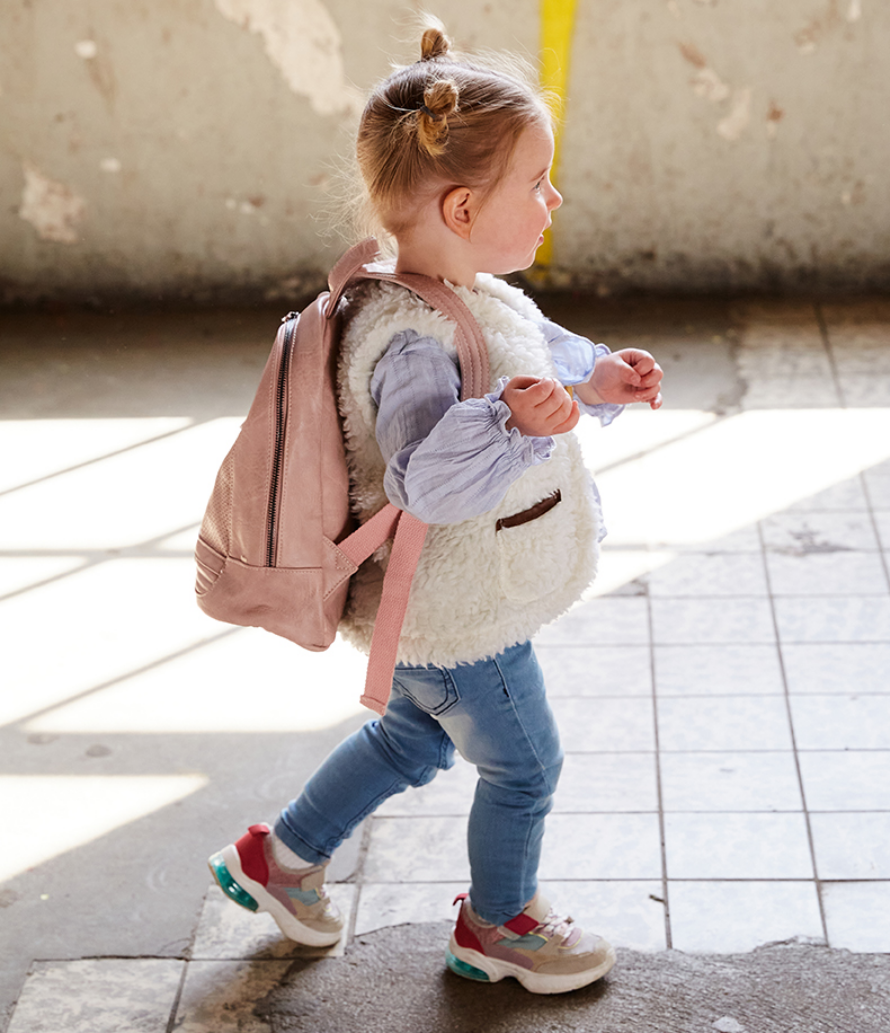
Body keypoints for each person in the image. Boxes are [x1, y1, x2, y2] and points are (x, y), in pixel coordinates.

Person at [208, 19, 663, 995]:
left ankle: (279, 861)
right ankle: (498, 926)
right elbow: (426, 480)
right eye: (536, 184)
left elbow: (532, 346)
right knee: (524, 765)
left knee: (410, 737)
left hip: (433, 612)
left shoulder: (458, 285)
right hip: (459, 614)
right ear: (461, 205)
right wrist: (517, 425)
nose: (553, 199)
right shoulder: (408, 339)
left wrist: (598, 380)